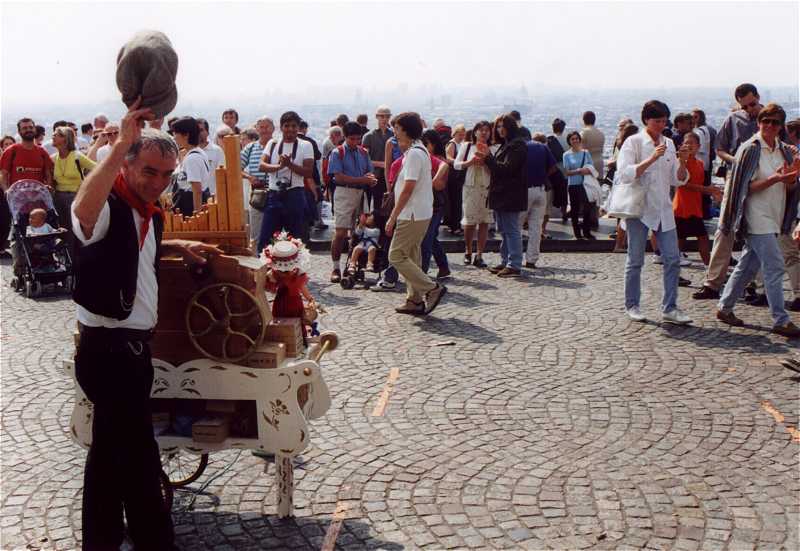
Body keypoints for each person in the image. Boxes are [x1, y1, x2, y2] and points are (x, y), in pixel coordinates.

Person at [71, 99, 221, 551]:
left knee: (118, 453)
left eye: (165, 175)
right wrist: (119, 145)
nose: (157, 183)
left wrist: (180, 246)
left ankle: (116, 538)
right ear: (127, 165)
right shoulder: (107, 206)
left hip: (132, 351)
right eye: (148, 171)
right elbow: (82, 211)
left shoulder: (146, 213)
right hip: (108, 352)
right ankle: (143, 539)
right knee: (129, 454)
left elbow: (137, 254)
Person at [715, 103, 800, 338]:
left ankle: (725, 306)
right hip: (755, 215)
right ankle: (780, 319)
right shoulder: (750, 148)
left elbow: (789, 185)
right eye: (765, 121)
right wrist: (775, 179)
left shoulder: (782, 150)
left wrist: (790, 178)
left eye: (774, 122)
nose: (769, 126)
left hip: (775, 214)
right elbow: (744, 187)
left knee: (748, 265)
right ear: (759, 122)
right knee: (774, 265)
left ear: (781, 125)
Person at [617, 100, 692, 325]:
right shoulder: (634, 142)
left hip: (662, 209)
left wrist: (683, 163)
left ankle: (670, 307)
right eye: (657, 120)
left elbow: (675, 179)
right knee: (635, 260)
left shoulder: (669, 143)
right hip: (639, 209)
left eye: (664, 121)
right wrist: (652, 158)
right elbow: (625, 174)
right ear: (646, 120)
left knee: (672, 258)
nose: (661, 125)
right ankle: (632, 304)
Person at [693, 83, 763, 300]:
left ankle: (756, 284)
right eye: (745, 106)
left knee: (759, 231)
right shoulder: (733, 120)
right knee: (725, 229)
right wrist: (736, 161)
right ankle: (713, 283)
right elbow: (720, 149)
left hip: (762, 178)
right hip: (736, 177)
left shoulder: (770, 119)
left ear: (758, 98)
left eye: (752, 104)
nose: (750, 110)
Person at [385, 112, 447, 315]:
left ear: (405, 130)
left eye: (397, 128)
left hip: (411, 214)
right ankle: (414, 300)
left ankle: (431, 288)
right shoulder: (418, 151)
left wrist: (393, 216)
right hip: (419, 212)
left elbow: (408, 188)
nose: (394, 131)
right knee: (412, 256)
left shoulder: (414, 154)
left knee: (396, 255)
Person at [0, 118, 54, 280]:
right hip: (19, 204)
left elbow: (48, 173)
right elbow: (4, 174)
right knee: (19, 236)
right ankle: (20, 268)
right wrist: (6, 190)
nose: (28, 130)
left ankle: (45, 264)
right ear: (20, 131)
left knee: (43, 235)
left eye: (30, 127)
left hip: (39, 203)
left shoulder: (41, 151)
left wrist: (49, 185)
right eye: (24, 128)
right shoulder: (12, 150)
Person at [478, 113, 528, 277]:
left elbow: (507, 169)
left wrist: (488, 159)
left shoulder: (517, 145)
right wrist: (488, 158)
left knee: (511, 229)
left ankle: (514, 264)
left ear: (510, 127)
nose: (500, 130)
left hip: (510, 194)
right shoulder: (507, 144)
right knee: (504, 229)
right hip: (501, 194)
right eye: (498, 127)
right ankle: (506, 260)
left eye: (502, 126)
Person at [257, 111, 314, 251]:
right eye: (287, 126)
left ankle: (294, 271)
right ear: (281, 127)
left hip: (295, 194)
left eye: (294, 126)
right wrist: (280, 166)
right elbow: (261, 165)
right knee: (266, 239)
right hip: (274, 194)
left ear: (298, 127)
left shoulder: (305, 145)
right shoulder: (273, 143)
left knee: (295, 238)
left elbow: (308, 172)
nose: (290, 129)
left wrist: (290, 165)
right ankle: (267, 270)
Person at [327, 121, 377, 282]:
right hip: (344, 192)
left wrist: (370, 179)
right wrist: (362, 179)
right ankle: (336, 267)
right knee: (341, 232)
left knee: (358, 232)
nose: (356, 142)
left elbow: (369, 172)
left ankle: (352, 265)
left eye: (358, 139)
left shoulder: (363, 152)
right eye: (352, 139)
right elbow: (338, 176)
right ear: (345, 137)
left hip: (361, 193)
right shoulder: (337, 152)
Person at [672, 132, 721, 265]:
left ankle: (709, 267)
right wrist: (707, 190)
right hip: (682, 207)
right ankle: (709, 267)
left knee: (696, 238)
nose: (688, 145)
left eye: (692, 143)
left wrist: (712, 190)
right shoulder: (680, 162)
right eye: (686, 143)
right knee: (691, 238)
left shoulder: (699, 163)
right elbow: (682, 183)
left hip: (695, 206)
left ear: (699, 146)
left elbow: (699, 184)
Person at [455, 121, 494, 268]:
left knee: (484, 221)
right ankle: (468, 251)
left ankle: (479, 254)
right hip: (470, 187)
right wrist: (470, 162)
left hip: (486, 187)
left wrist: (486, 162)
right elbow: (456, 165)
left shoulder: (492, 148)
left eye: (487, 130)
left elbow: (496, 169)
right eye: (481, 130)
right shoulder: (466, 147)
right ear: (475, 132)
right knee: (469, 221)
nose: (484, 133)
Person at [51, 125, 97, 243]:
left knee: (76, 230)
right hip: (58, 198)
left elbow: (97, 169)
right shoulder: (53, 158)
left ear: (65, 139)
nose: (53, 136)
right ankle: (68, 258)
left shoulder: (77, 156)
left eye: (57, 134)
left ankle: (78, 257)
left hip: (75, 197)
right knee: (62, 230)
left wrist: (87, 187)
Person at [521, 134, 558, 268]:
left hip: (524, 189)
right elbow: (554, 167)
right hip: (541, 189)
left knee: (516, 226)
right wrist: (543, 175)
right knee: (536, 227)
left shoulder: (521, 147)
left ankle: (514, 259)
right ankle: (531, 259)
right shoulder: (543, 147)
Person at [420, 129, 451, 278]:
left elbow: (440, 185)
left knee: (427, 238)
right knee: (430, 237)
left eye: (426, 144)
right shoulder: (423, 158)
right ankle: (443, 266)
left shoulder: (440, 161)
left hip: (436, 204)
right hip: (426, 202)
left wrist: (429, 176)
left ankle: (422, 272)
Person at [241, 116, 274, 249]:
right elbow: (237, 167)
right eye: (261, 127)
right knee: (256, 233)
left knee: (275, 232)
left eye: (267, 127)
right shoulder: (250, 147)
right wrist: (250, 178)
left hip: (275, 193)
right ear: (257, 129)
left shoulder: (278, 145)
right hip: (257, 195)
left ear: (273, 128)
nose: (264, 130)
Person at [171, 116, 211, 215]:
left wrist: (196, 215)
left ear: (186, 135)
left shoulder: (192, 158)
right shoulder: (197, 152)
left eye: (176, 133)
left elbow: (197, 189)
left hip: (190, 206)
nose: (174, 137)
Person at [562, 132, 596, 239]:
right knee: (575, 210)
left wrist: (586, 171)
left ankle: (587, 231)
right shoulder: (566, 155)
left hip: (585, 185)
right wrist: (579, 170)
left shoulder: (586, 153)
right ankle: (577, 233)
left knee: (587, 208)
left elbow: (591, 168)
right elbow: (567, 172)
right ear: (569, 141)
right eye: (573, 139)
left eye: (577, 138)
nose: (575, 140)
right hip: (573, 185)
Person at [361, 106, 394, 213]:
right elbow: (363, 159)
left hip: (391, 175)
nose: (385, 119)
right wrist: (382, 164)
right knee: (377, 203)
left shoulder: (394, 135)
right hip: (376, 175)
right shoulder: (369, 136)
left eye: (387, 116)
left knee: (391, 202)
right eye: (382, 116)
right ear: (377, 117)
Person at [444, 123, 466, 236]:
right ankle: (455, 226)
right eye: (460, 134)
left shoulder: (460, 144)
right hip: (453, 176)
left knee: (457, 201)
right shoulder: (452, 144)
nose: (462, 137)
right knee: (455, 201)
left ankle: (454, 224)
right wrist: (459, 163)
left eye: (463, 135)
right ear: (455, 134)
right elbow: (448, 158)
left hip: (458, 175)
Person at [197, 118, 225, 195]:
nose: (198, 133)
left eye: (201, 130)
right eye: (196, 130)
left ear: (207, 132)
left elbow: (222, 176)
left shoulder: (217, 151)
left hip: (212, 197)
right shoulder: (189, 152)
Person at [580, 111, 605, 179]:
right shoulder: (601, 133)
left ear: (583, 120)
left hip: (588, 166)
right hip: (600, 164)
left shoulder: (584, 133)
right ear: (594, 120)